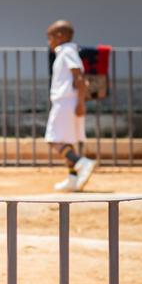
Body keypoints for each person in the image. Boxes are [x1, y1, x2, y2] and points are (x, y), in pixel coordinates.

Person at [46, 19, 97, 192]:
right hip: (69, 101)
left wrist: (80, 103)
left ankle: (81, 162)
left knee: (53, 139)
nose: (49, 42)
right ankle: (73, 178)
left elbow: (79, 78)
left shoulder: (67, 51)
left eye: (50, 37)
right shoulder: (67, 52)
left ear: (60, 36)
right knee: (67, 141)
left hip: (65, 102)